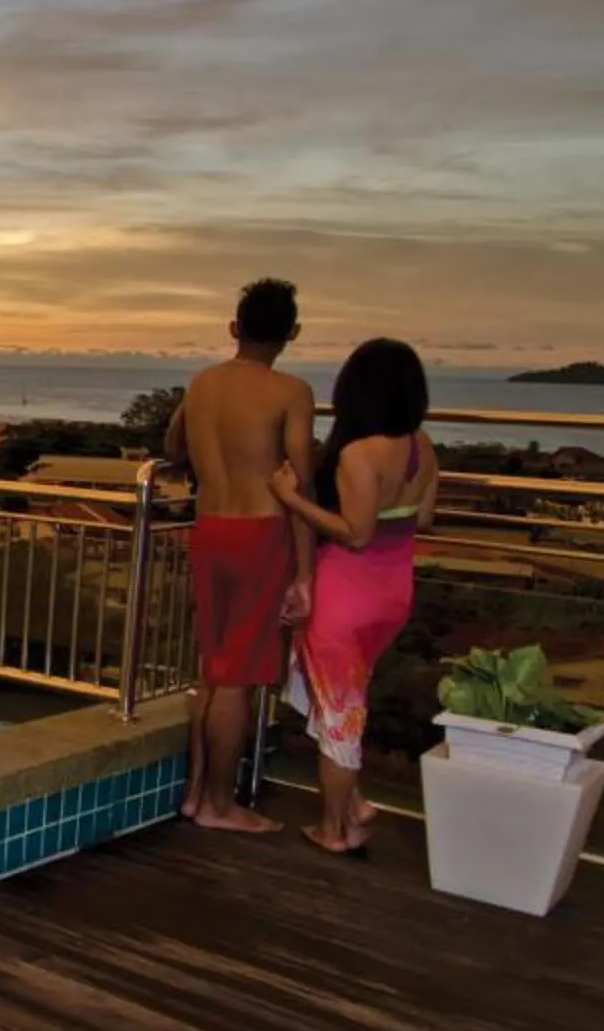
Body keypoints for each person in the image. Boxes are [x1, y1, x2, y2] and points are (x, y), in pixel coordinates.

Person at [269, 337, 438, 855]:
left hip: (346, 594)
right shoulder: (421, 445)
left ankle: (335, 829)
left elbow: (355, 532)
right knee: (341, 704)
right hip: (392, 593)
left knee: (341, 717)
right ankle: (354, 804)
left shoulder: (357, 454)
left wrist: (291, 498)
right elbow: (423, 518)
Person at [162, 279, 316, 832]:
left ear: (234, 328)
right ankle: (220, 805)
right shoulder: (291, 392)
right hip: (260, 532)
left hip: (210, 527)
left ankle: (195, 795)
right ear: (291, 333)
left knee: (214, 670)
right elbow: (299, 485)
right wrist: (305, 573)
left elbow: (173, 447)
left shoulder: (202, 384)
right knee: (237, 678)